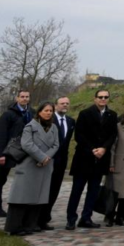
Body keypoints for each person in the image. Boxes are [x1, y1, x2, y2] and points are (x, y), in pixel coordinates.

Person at [66, 89, 118, 230]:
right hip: (84, 158)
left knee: (93, 191)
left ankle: (86, 218)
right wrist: (92, 150)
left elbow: (113, 135)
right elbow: (79, 135)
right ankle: (71, 218)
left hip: (101, 159)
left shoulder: (112, 115)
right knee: (76, 191)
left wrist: (104, 148)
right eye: (100, 97)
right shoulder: (85, 113)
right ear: (95, 98)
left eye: (106, 97)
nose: (103, 99)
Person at [4, 102, 58, 236]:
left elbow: (56, 145)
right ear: (39, 112)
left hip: (44, 166)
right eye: (46, 110)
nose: (48, 113)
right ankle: (15, 227)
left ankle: (30, 225)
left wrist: (46, 158)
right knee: (21, 197)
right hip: (29, 165)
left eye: (51, 111)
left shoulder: (53, 127)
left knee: (37, 197)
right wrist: (41, 157)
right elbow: (27, 144)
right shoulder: (30, 126)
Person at [0, 90, 32, 217]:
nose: (25, 99)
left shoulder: (31, 113)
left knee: (25, 180)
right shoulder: (8, 114)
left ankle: (23, 208)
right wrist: (0, 154)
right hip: (9, 151)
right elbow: (1, 135)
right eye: (22, 96)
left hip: (26, 151)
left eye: (27, 97)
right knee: (1, 179)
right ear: (17, 98)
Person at [40, 96, 74, 230]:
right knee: (44, 189)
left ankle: (45, 217)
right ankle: (37, 217)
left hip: (61, 161)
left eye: (67, 103)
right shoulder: (48, 119)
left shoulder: (71, 121)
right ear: (55, 105)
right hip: (48, 159)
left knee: (54, 189)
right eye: (62, 103)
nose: (65, 105)